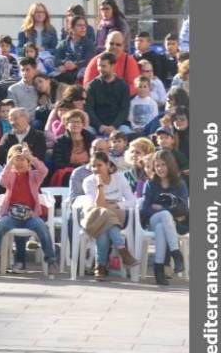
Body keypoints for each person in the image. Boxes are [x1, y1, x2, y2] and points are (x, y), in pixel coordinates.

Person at [0, 144, 57, 276]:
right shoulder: (10, 176)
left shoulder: (34, 177)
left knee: (42, 228)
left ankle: (51, 260)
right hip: (11, 216)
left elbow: (44, 170)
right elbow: (2, 181)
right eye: (17, 159)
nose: (20, 163)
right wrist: (10, 162)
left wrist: (31, 157)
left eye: (23, 160)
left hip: (30, 216)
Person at [80, 147, 137, 279]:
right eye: (93, 166)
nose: (96, 169)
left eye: (99, 165)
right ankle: (121, 248)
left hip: (117, 212)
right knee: (104, 220)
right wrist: (100, 185)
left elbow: (132, 200)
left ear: (107, 165)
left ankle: (100, 266)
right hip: (96, 215)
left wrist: (117, 204)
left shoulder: (120, 178)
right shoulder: (89, 181)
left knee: (106, 218)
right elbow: (98, 205)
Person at [139, 149, 188, 285]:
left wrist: (162, 208)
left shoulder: (179, 184)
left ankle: (159, 269)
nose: (160, 168)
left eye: (163, 165)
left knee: (162, 227)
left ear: (170, 165)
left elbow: (183, 208)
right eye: (157, 165)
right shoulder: (150, 184)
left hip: (173, 224)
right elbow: (144, 209)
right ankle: (176, 253)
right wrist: (165, 211)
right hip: (152, 221)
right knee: (163, 217)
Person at [85, 53, 131, 136]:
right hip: (96, 126)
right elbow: (89, 109)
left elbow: (124, 109)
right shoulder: (92, 86)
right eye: (99, 66)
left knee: (126, 133)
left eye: (103, 66)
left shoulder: (122, 85)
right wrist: (99, 126)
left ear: (113, 66)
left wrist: (114, 126)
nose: (100, 69)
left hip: (118, 125)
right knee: (85, 132)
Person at [50, 110, 94, 185]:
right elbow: (58, 163)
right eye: (72, 122)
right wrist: (78, 167)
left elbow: (97, 158)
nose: (75, 124)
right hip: (68, 173)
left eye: (78, 122)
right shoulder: (60, 141)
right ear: (66, 125)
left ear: (83, 125)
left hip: (89, 170)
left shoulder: (91, 139)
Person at [52, 15, 94, 86]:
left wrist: (75, 65)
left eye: (84, 25)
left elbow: (89, 60)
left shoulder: (89, 44)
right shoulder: (63, 44)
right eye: (79, 25)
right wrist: (64, 63)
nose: (83, 28)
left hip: (80, 75)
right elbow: (56, 59)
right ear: (72, 28)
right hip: (65, 73)